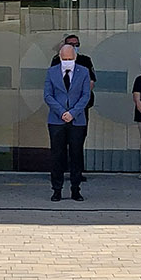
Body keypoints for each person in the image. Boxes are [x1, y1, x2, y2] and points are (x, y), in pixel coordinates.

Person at [44, 40, 92, 201]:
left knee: (76, 155)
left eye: (70, 58)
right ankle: (56, 189)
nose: (67, 62)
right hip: (56, 120)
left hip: (77, 120)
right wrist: (62, 112)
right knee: (57, 155)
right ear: (59, 57)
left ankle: (75, 189)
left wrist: (73, 113)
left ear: (75, 57)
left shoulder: (84, 72)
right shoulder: (51, 72)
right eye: (64, 59)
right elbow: (48, 95)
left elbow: (86, 95)